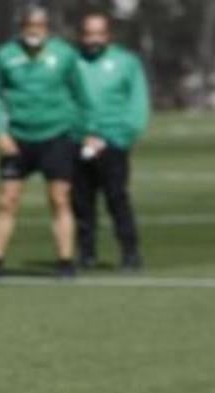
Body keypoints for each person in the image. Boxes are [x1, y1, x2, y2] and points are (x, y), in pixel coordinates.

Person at [0, 5, 90, 278]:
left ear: (47, 27)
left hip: (56, 135)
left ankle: (66, 262)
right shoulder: (5, 55)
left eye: (39, 25)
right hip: (17, 138)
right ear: (21, 27)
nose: (34, 30)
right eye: (29, 25)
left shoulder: (64, 54)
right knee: (7, 199)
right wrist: (0, 130)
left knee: (60, 198)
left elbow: (81, 95)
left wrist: (83, 130)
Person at [73, 11, 149, 271]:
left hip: (113, 141)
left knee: (117, 198)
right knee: (81, 202)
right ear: (81, 35)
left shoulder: (126, 62)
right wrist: (80, 134)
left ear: (108, 35)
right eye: (88, 33)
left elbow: (137, 103)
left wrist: (123, 137)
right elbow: (64, 101)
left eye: (98, 33)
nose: (93, 39)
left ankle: (130, 252)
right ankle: (86, 253)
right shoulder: (72, 62)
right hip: (79, 141)